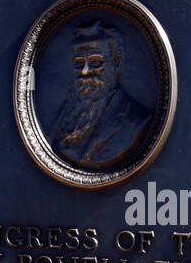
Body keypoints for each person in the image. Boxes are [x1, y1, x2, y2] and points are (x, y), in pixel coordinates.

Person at [48, 20, 152, 169]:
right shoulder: (63, 112)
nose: (84, 71)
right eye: (78, 63)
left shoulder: (136, 119)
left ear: (116, 62)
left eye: (95, 62)